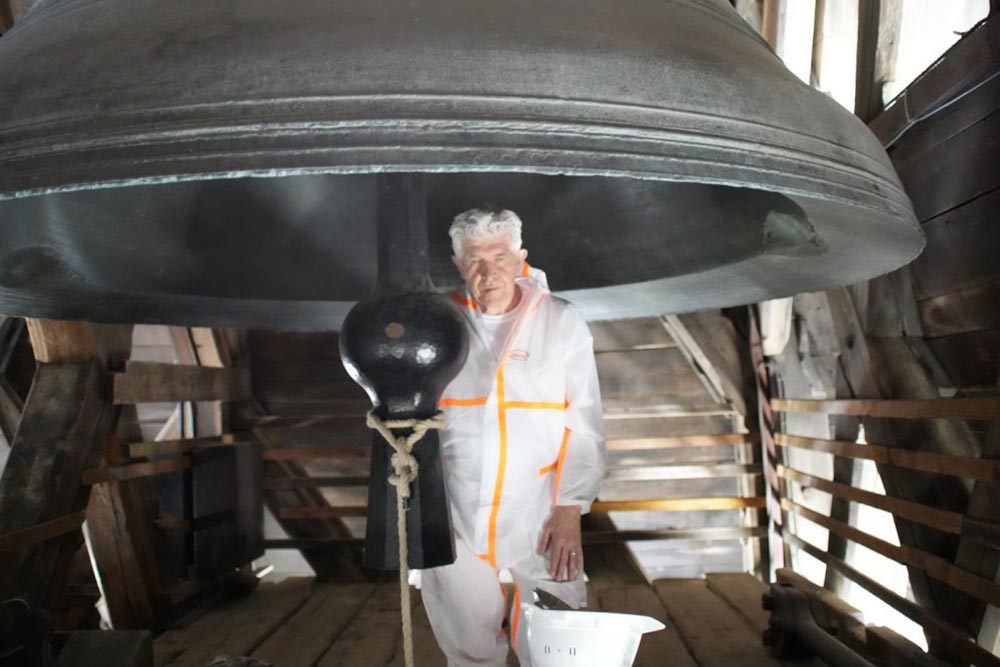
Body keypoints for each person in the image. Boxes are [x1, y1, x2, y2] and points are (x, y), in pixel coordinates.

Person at [421, 207, 606, 666]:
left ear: (521, 256)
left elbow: (583, 423)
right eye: (474, 260)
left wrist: (570, 509)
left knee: (557, 642)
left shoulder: (561, 322)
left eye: (500, 257)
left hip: (539, 509)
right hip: (455, 510)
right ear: (458, 264)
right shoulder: (440, 324)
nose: (488, 272)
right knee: (467, 646)